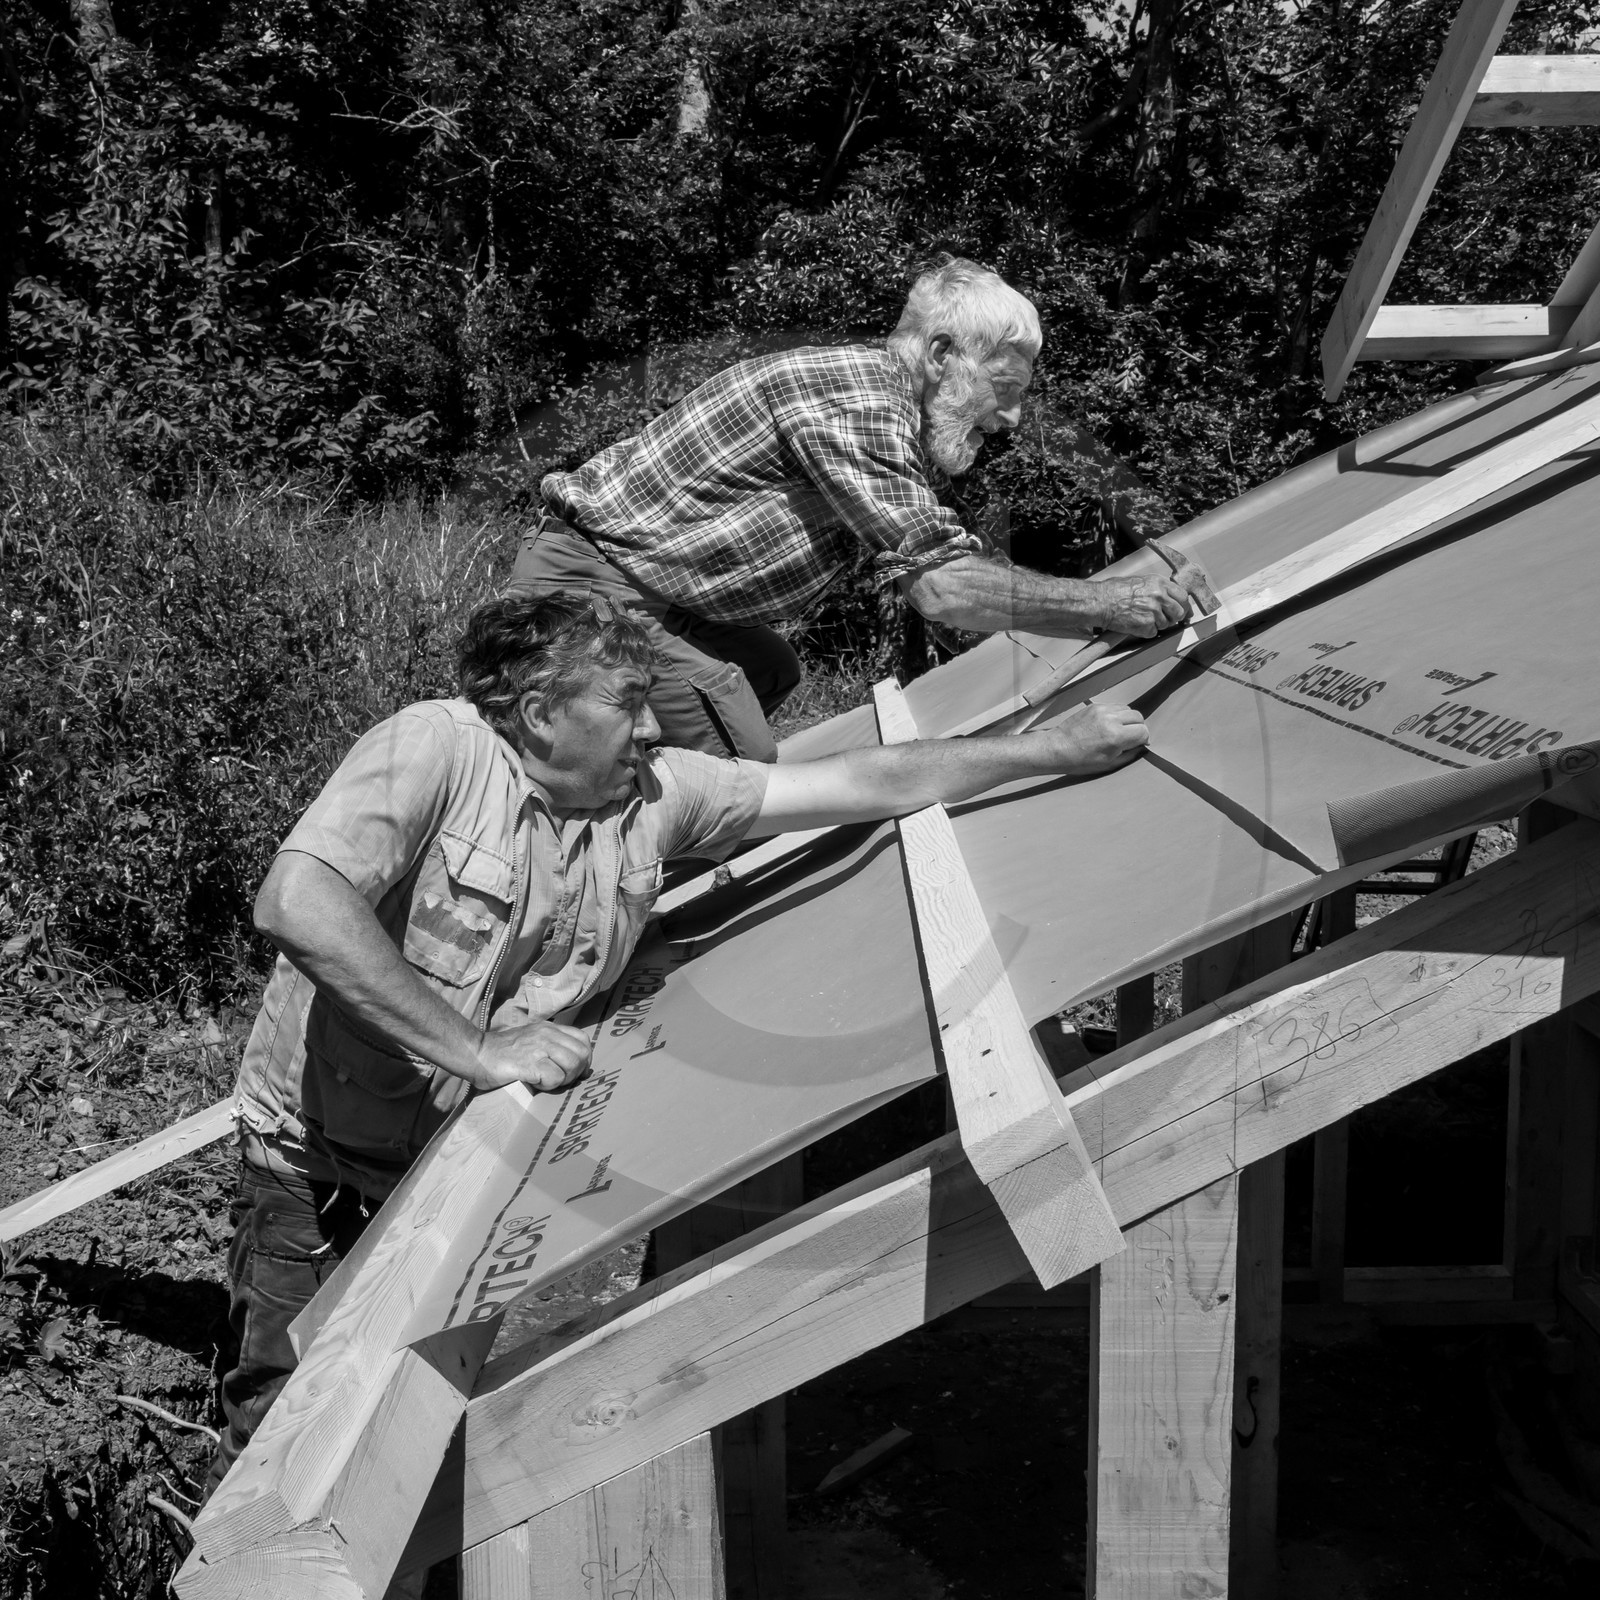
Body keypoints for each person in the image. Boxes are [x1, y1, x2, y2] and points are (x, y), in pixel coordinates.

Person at [207, 592, 1150, 1492]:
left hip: (457, 1173)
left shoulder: (652, 797)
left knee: (404, 1423)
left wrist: (1048, 751)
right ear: (539, 713)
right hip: (316, 1161)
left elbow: (858, 781)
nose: (653, 728)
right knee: (286, 1422)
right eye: (626, 704)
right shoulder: (436, 751)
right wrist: (479, 1050)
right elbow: (299, 903)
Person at [507, 254, 1206, 762]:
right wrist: (1108, 602)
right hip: (593, 592)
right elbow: (944, 587)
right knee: (743, 773)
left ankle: (619, 787)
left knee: (771, 669)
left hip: (630, 580)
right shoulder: (865, 407)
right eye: (1005, 387)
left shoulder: (874, 398)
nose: (1013, 417)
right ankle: (646, 881)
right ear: (940, 353)